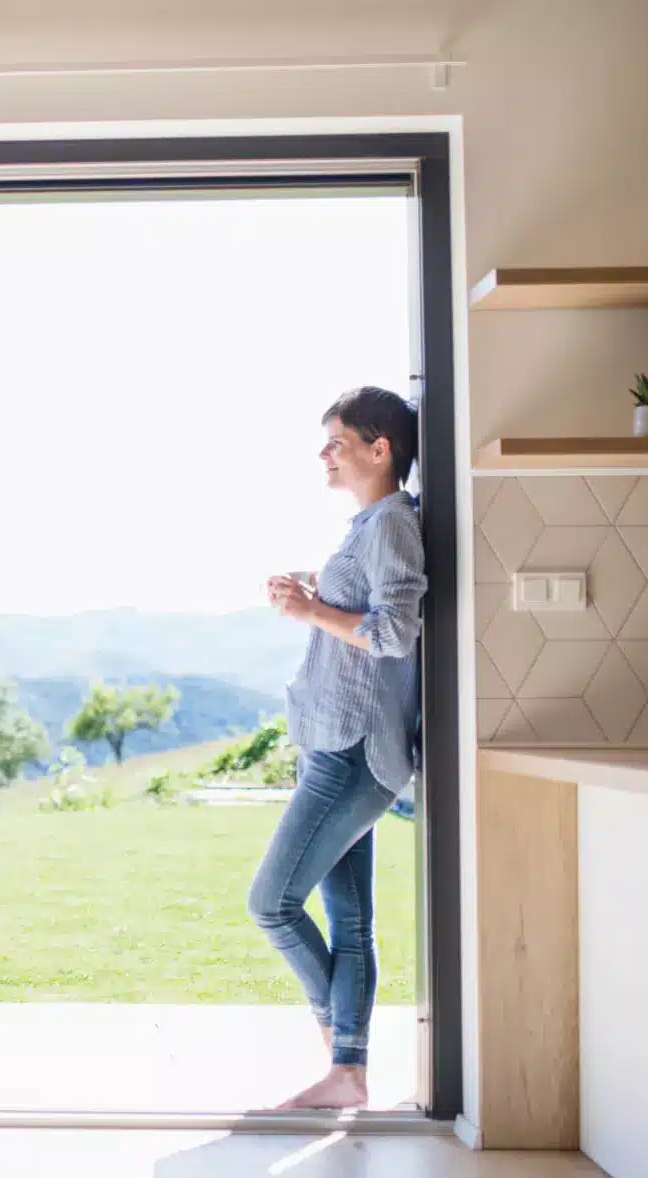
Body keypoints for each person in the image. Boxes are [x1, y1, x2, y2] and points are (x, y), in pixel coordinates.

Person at [253, 386, 425, 1111]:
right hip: (339, 741)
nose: (325, 454)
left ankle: (342, 1051)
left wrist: (312, 608)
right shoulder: (372, 525)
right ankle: (347, 1074)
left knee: (272, 903)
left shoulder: (389, 524)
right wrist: (318, 587)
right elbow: (372, 612)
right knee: (350, 921)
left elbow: (394, 632)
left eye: (336, 441)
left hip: (354, 750)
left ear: (378, 449)